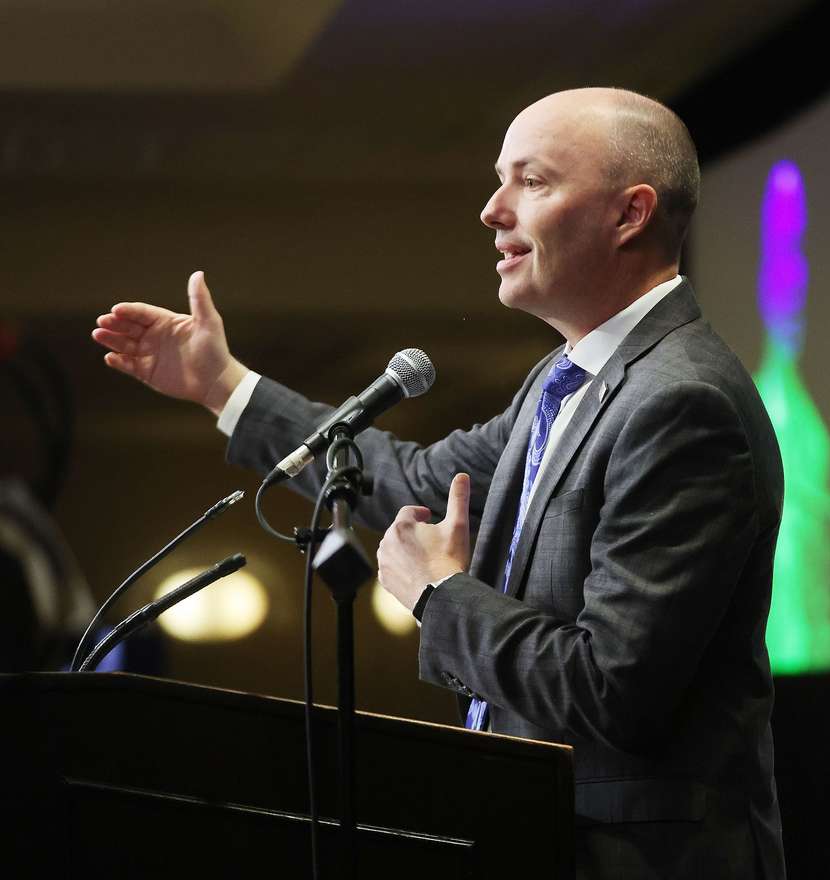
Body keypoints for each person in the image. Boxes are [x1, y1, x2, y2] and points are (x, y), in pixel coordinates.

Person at [92, 88, 786, 880]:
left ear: (629, 215)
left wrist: (438, 595)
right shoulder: (566, 381)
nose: (492, 211)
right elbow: (414, 479)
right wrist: (224, 386)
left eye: (532, 182)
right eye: (500, 180)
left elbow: (611, 690)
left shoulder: (681, 403)